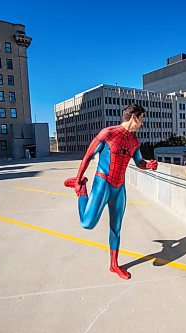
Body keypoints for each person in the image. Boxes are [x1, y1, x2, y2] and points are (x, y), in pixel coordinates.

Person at [64, 104, 158, 279]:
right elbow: (87, 156)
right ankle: (82, 189)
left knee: (116, 228)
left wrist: (149, 165)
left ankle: (114, 265)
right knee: (87, 223)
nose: (142, 123)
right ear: (134, 117)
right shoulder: (107, 133)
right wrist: (78, 180)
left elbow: (139, 162)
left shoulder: (134, 141)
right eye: (142, 118)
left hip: (119, 187)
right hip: (103, 182)